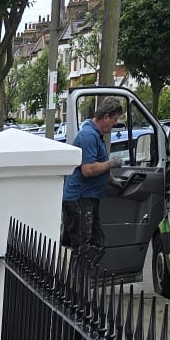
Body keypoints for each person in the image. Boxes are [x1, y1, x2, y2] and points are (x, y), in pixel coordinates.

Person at [61, 100, 123, 276]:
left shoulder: (95, 135)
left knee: (97, 245)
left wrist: (112, 180)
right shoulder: (89, 136)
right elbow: (88, 169)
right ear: (106, 117)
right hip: (80, 200)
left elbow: (97, 164)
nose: (115, 123)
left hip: (88, 198)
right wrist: (111, 163)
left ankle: (78, 284)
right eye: (114, 119)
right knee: (84, 247)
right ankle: (74, 289)